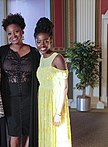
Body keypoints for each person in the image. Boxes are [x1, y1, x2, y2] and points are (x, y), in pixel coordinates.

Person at [0, 13, 40, 147]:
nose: (13, 36)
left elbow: (41, 74)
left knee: (28, 132)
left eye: (16, 31)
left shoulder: (34, 52)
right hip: (10, 100)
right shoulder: (2, 52)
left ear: (22, 31)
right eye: (9, 33)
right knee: (14, 134)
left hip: (30, 99)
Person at [34, 17, 72, 147]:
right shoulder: (41, 58)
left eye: (46, 41)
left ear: (51, 41)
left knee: (57, 136)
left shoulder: (58, 58)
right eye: (39, 42)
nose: (42, 45)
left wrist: (58, 113)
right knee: (46, 134)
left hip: (55, 102)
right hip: (43, 101)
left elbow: (64, 88)